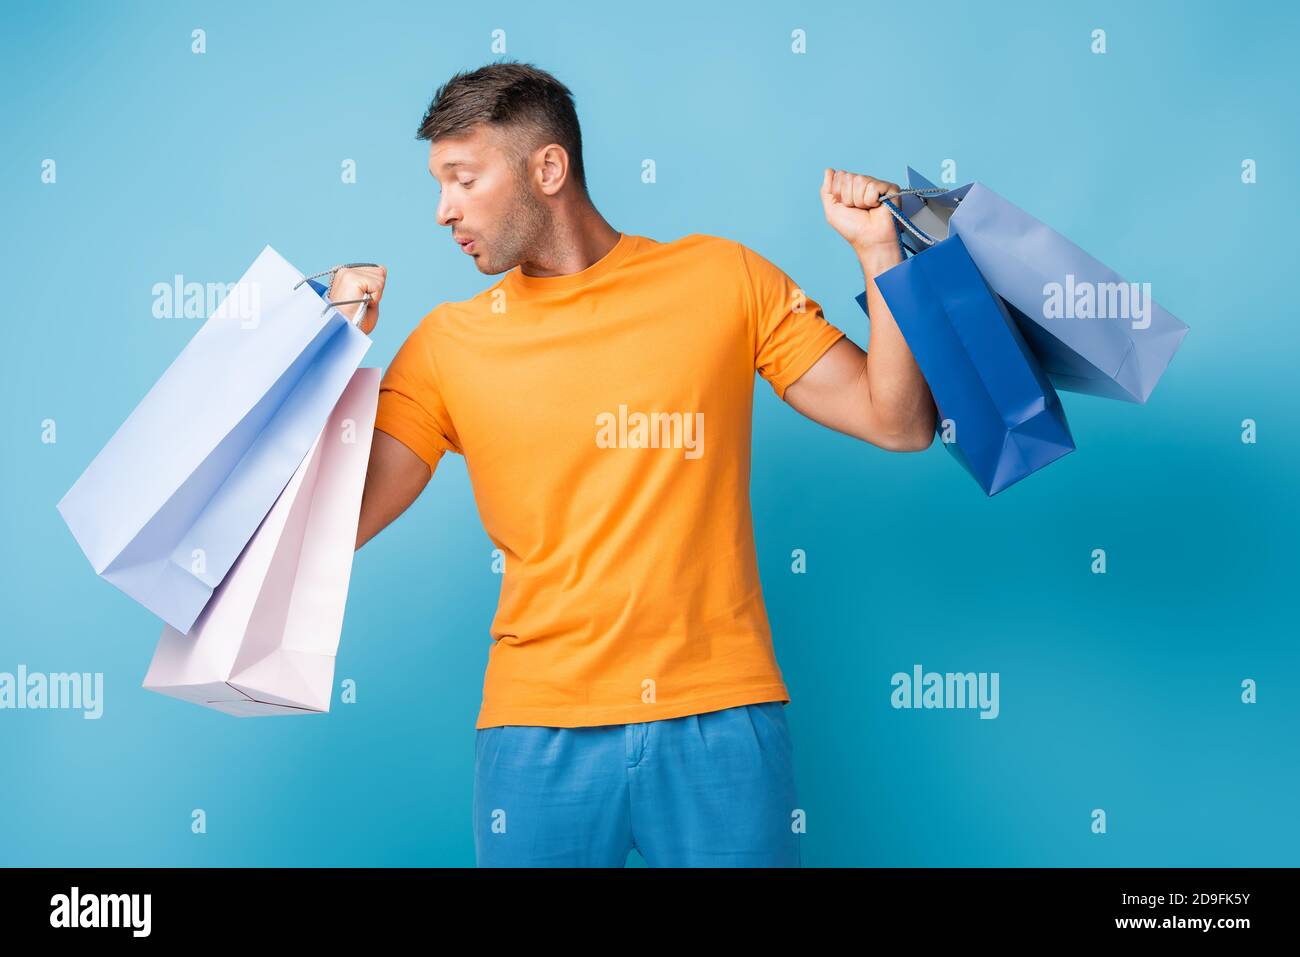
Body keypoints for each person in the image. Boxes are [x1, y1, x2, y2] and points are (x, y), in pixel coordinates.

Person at [330, 60, 935, 867]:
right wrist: (331, 350)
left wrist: (879, 253)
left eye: (462, 179)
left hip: (721, 716)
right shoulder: (448, 343)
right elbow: (337, 527)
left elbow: (899, 422)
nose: (443, 211)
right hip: (536, 730)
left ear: (548, 168)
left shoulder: (723, 278)